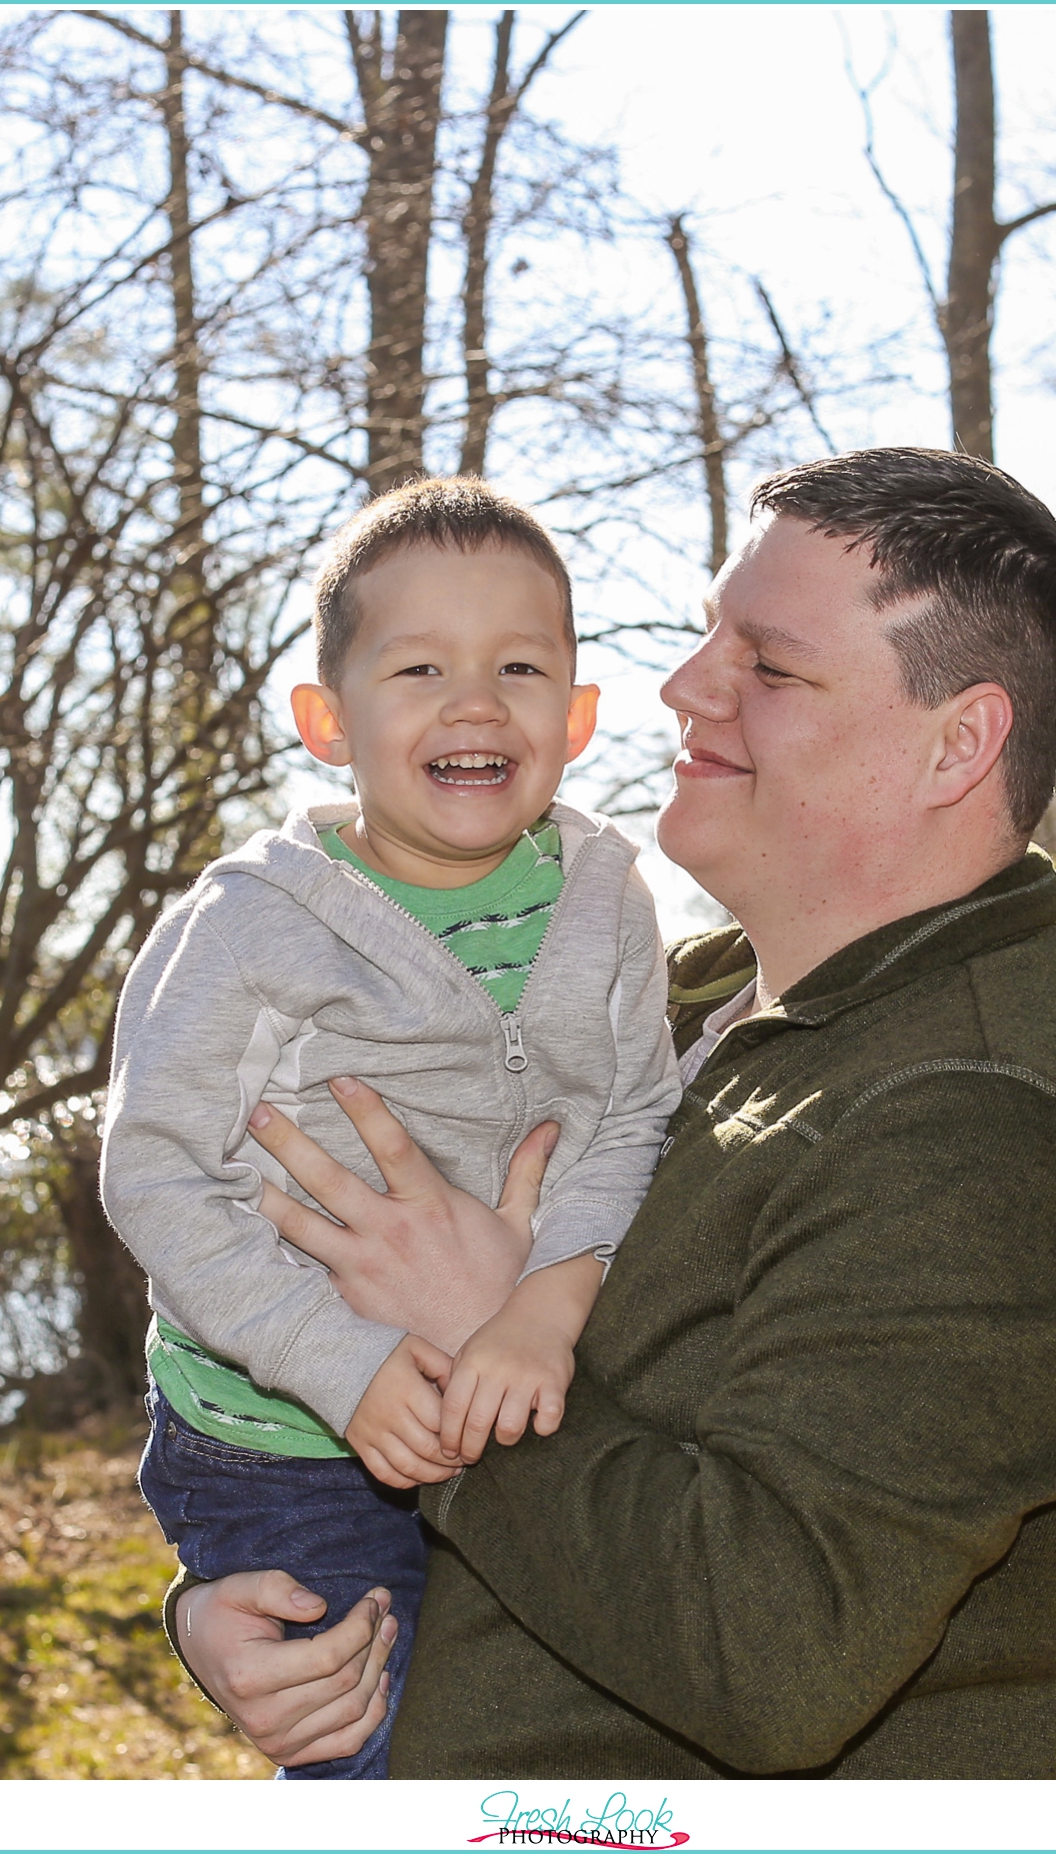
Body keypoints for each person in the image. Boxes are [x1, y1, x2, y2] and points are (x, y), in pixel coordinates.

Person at [167, 448, 1056, 1779]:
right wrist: (230, 1605)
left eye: (771, 665)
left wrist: (472, 1334)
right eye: (708, 636)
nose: (685, 687)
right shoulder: (686, 1001)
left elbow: (769, 1655)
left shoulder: (992, 1132)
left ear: (958, 741)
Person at [99, 477, 682, 1779]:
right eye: (418, 667)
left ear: (579, 716)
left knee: (563, 1745)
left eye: (520, 665)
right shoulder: (256, 918)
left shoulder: (608, 900)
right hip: (282, 1435)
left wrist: (550, 1298)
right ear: (326, 719)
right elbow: (152, 1165)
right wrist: (340, 1362)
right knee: (388, 1749)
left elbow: (629, 1115)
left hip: (509, 1395)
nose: (475, 703)